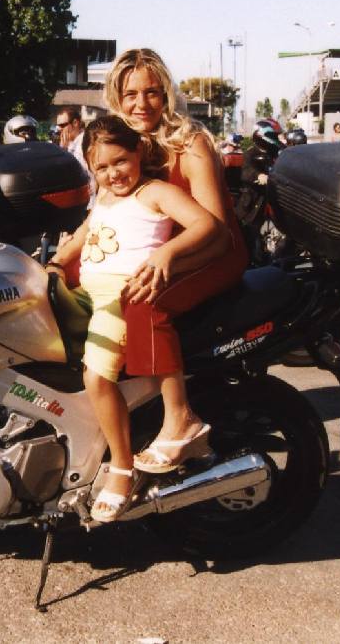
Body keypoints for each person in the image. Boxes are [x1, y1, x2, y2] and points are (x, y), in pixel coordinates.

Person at [45, 116, 218, 522]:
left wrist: (167, 254)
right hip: (88, 296)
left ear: (138, 152)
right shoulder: (104, 197)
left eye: (120, 161)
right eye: (101, 167)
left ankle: (121, 468)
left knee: (95, 377)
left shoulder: (154, 192)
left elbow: (206, 224)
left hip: (120, 300)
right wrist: (55, 263)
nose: (113, 174)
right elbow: (83, 234)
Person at [99, 48, 246, 479]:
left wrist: (166, 261)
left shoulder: (190, 143)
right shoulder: (123, 146)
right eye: (130, 94)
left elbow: (217, 231)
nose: (141, 104)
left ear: (165, 94)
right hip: (158, 255)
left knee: (143, 302)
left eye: (151, 92)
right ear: (117, 98)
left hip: (212, 253)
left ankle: (180, 420)